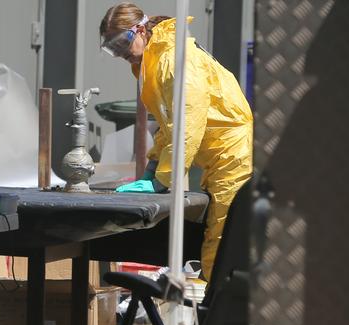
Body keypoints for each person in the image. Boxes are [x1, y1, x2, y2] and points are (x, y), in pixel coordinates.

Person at [100, 3, 253, 281]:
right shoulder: (154, 61)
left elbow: (187, 125)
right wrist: (153, 166)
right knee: (216, 235)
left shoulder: (173, 60)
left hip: (232, 154)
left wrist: (163, 179)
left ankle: (213, 314)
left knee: (222, 239)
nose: (121, 53)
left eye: (122, 41)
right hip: (216, 156)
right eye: (112, 48)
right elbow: (168, 125)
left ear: (140, 30)